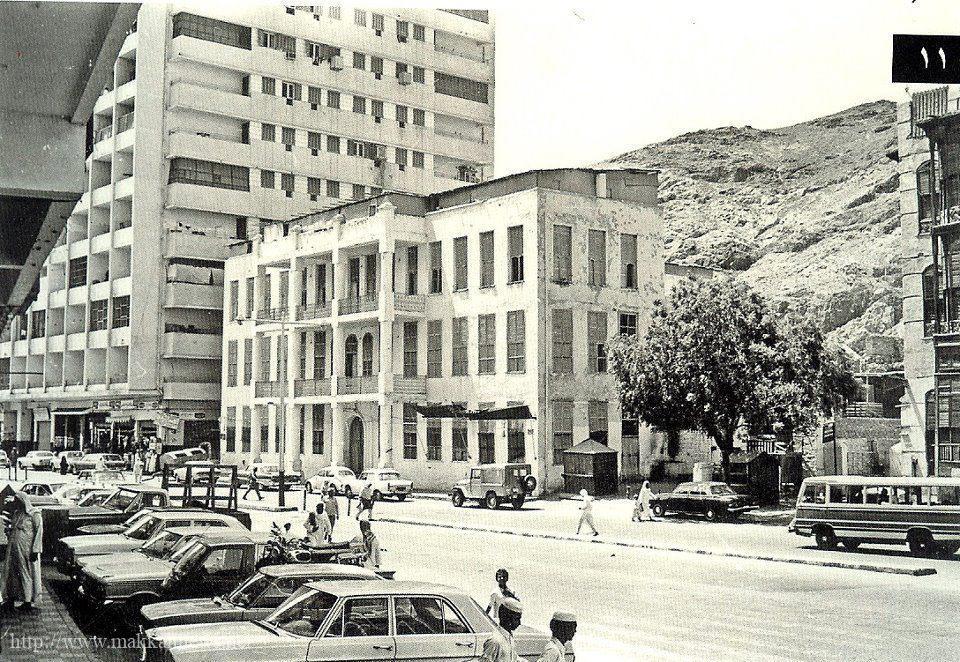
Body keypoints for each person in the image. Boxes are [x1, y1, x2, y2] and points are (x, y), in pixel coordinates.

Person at [1, 493, 43, 611]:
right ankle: (10, 598)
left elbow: (39, 533)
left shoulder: (34, 514)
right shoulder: (17, 513)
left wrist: (36, 550)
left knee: (25, 573)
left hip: (26, 549)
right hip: (13, 548)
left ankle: (27, 601)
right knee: (11, 573)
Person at [480, 597, 522, 662]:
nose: (519, 623)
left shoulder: (509, 638)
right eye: (517, 619)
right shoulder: (494, 641)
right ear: (507, 618)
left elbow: (514, 658)